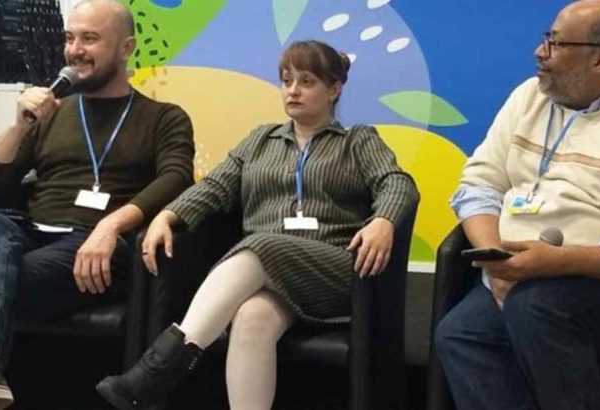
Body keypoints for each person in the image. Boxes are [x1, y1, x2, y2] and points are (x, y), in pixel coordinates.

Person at [95, 39, 419, 410]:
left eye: (307, 82)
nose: (293, 90)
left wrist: (383, 220)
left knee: (261, 244)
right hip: (268, 275)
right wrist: (168, 215)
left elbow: (398, 183)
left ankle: (158, 371)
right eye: (287, 80)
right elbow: (215, 187)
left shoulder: (357, 141)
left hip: (332, 271)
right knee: (252, 318)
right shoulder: (261, 140)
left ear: (334, 89)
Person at [0, 0, 195, 408]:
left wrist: (110, 226)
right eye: (70, 38)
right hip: (30, 231)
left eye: (90, 39)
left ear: (126, 48)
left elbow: (176, 179)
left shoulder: (164, 117)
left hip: (97, 246)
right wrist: (19, 126)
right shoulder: (51, 114)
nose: (75, 50)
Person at [434, 1, 600, 409]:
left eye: (556, 43)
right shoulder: (528, 97)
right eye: (547, 38)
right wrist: (497, 261)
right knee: (460, 333)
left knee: (536, 309)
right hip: (518, 273)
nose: (540, 51)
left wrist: (557, 262)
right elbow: (479, 183)